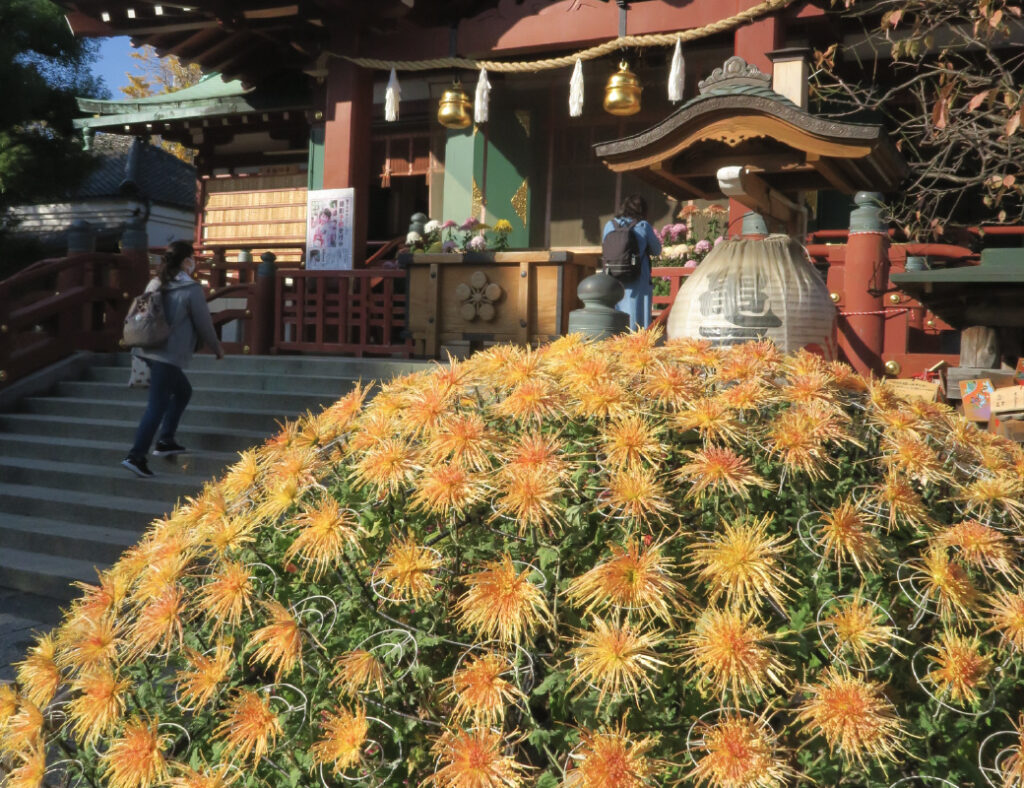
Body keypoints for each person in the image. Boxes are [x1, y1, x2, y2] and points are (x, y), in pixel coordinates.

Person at [122, 241, 224, 478]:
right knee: (156, 406)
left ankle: (166, 440)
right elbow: (204, 323)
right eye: (192, 258)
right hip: (166, 355)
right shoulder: (190, 288)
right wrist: (217, 348)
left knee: (183, 391)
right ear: (186, 260)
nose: (193, 262)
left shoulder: (155, 282)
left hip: (147, 350)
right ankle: (136, 456)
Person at [602, 194, 662, 330]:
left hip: (614, 280)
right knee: (638, 319)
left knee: (618, 314)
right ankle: (638, 345)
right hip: (638, 279)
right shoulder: (643, 225)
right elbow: (657, 250)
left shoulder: (609, 225)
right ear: (643, 210)